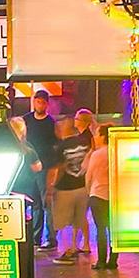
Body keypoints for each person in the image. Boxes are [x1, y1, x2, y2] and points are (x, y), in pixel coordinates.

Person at [20, 88, 64, 249]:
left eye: (42, 102)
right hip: (29, 167)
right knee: (35, 203)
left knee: (47, 203)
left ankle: (51, 238)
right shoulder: (27, 120)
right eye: (37, 102)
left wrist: (55, 167)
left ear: (47, 104)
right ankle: (35, 237)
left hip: (45, 167)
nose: (39, 105)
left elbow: (58, 143)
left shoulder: (51, 123)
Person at [48, 109, 95, 261]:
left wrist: (51, 187)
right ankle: (78, 246)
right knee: (80, 218)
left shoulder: (61, 146)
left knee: (63, 222)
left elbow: (59, 168)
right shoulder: (84, 141)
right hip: (82, 186)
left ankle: (69, 251)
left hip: (65, 188)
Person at [82, 116, 115, 271]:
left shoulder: (98, 154)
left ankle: (101, 261)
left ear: (103, 136)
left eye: (97, 134)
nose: (95, 137)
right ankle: (113, 260)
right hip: (114, 196)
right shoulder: (116, 153)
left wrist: (89, 192)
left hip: (98, 195)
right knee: (113, 230)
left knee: (101, 230)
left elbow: (88, 175)